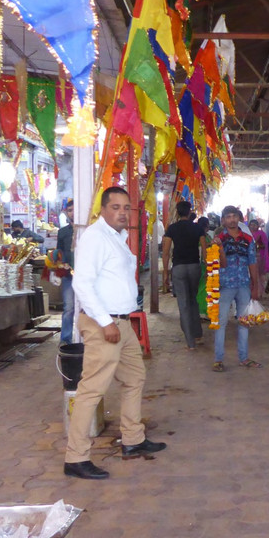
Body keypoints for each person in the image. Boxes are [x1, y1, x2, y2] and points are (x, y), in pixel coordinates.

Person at [64, 186, 166, 480]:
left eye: (126, 208)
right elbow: (82, 284)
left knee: (134, 378)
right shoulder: (95, 238)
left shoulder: (117, 238)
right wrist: (105, 322)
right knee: (91, 390)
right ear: (102, 210)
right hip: (104, 323)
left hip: (122, 323)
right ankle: (76, 457)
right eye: (115, 207)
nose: (122, 213)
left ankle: (133, 439)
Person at [211, 206, 263, 372]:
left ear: (239, 218)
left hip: (243, 284)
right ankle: (218, 359)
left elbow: (252, 262)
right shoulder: (218, 239)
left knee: (244, 322)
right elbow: (222, 264)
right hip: (225, 285)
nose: (232, 219)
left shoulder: (248, 239)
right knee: (221, 322)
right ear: (223, 220)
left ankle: (244, 358)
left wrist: (256, 285)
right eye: (228, 217)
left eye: (234, 216)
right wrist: (219, 248)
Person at [162, 201, 205, 350]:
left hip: (179, 268)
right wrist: (205, 267)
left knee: (183, 304)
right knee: (193, 299)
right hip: (194, 267)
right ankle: (198, 333)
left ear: (177, 212)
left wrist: (165, 274)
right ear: (189, 212)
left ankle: (190, 342)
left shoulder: (172, 229)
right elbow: (204, 250)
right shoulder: (198, 227)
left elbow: (166, 252)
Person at [54, 199, 76, 344]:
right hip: (69, 276)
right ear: (66, 213)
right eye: (69, 210)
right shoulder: (62, 232)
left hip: (88, 276)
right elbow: (59, 253)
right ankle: (66, 339)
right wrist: (61, 265)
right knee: (69, 307)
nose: (72, 213)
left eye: (75, 209)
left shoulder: (89, 229)